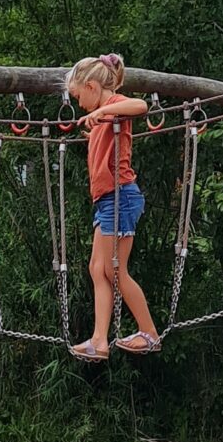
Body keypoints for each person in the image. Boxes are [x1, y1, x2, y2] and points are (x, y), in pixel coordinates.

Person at [66, 52, 161, 361]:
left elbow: (141, 106)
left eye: (79, 96)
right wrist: (94, 131)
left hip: (121, 197)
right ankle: (99, 340)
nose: (80, 104)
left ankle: (149, 333)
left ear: (93, 86)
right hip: (107, 200)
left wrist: (103, 115)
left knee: (115, 270)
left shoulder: (114, 107)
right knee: (97, 269)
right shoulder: (102, 118)